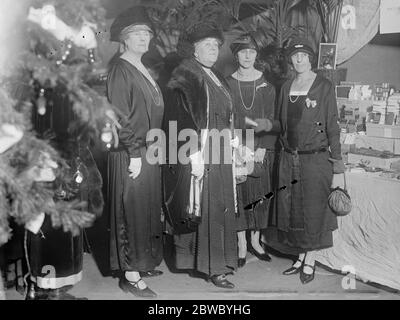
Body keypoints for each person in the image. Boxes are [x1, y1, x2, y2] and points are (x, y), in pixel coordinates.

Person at [261, 37, 345, 284]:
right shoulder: (286, 86)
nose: (299, 60)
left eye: (303, 56)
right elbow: (281, 124)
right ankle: (300, 256)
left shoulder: (324, 86)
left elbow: (333, 127)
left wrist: (338, 166)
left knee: (312, 211)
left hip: (315, 161)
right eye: (294, 57)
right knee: (293, 211)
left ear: (310, 59)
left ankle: (310, 259)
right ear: (291, 60)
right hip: (289, 159)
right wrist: (263, 125)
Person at [163, 23, 238, 289]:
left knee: (219, 205)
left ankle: (217, 262)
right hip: (201, 150)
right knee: (204, 207)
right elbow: (177, 117)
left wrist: (234, 136)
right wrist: (192, 153)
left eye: (216, 45)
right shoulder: (185, 74)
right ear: (194, 50)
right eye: (207, 45)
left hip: (221, 151)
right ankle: (213, 267)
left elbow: (226, 112)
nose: (213, 50)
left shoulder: (216, 75)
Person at [107, 6, 164, 298]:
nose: (144, 38)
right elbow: (120, 116)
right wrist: (135, 154)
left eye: (147, 34)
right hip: (132, 152)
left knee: (145, 212)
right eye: (136, 34)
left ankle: (141, 263)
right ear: (124, 39)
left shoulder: (141, 67)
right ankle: (130, 274)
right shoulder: (120, 68)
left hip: (147, 150)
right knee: (130, 213)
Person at [226, 33, 277, 268]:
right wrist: (234, 147)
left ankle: (256, 242)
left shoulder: (267, 85)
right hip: (235, 147)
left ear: (257, 55)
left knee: (258, 196)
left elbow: (272, 120)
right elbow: (226, 118)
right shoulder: (227, 83)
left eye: (252, 51)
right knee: (239, 196)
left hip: (259, 149)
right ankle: (241, 245)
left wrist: (264, 149)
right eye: (243, 51)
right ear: (236, 54)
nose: (247, 56)